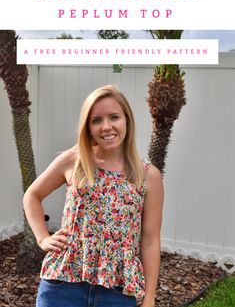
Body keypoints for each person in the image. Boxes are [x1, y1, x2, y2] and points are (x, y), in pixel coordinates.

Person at [23, 84, 164, 307]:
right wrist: (43, 238)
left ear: (127, 120)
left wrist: (150, 296)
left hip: (117, 291)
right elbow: (32, 195)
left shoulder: (148, 176)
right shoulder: (75, 160)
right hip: (63, 284)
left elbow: (150, 241)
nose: (106, 126)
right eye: (96, 120)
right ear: (88, 127)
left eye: (114, 117)